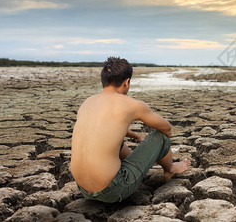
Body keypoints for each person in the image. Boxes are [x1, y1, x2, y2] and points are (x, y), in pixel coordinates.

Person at [70, 56, 190, 203]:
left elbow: (105, 128)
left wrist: (135, 135)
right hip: (113, 190)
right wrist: (146, 138)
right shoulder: (131, 104)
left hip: (83, 189)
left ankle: (135, 167)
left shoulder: (87, 103)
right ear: (126, 82)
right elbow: (167, 129)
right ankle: (170, 169)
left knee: (110, 141)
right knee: (160, 137)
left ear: (104, 81)